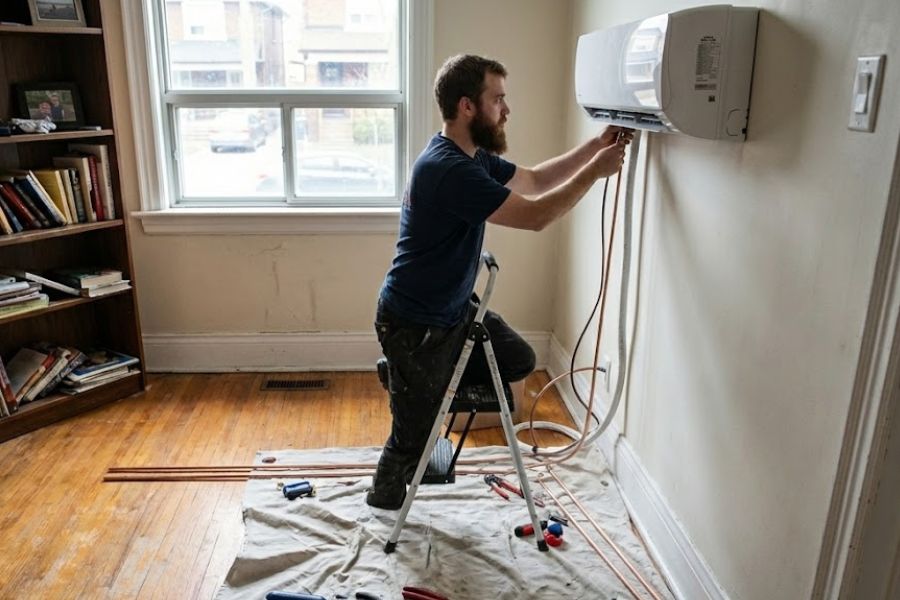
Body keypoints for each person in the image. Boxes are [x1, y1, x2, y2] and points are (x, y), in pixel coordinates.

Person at [367, 54, 633, 510]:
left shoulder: (470, 158)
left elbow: (534, 181)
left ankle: (413, 382)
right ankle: (387, 496)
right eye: (498, 99)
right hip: (416, 323)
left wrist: (594, 147)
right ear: (468, 106)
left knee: (518, 358)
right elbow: (536, 215)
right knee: (413, 442)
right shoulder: (449, 170)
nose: (506, 110)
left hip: (452, 310)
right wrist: (596, 171)